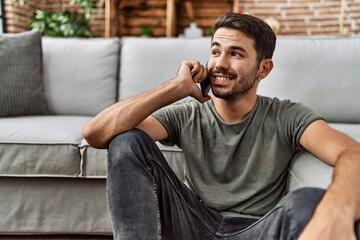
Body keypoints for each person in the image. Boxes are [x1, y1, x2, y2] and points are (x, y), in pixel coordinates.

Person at [83, 12, 360, 240]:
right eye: (215, 51)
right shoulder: (187, 114)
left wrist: (336, 211)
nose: (220, 64)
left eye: (236, 54)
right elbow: (96, 133)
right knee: (126, 140)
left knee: (308, 202)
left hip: (257, 231)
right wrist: (176, 87)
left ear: (263, 69)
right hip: (191, 224)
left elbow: (352, 153)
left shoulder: (287, 115)